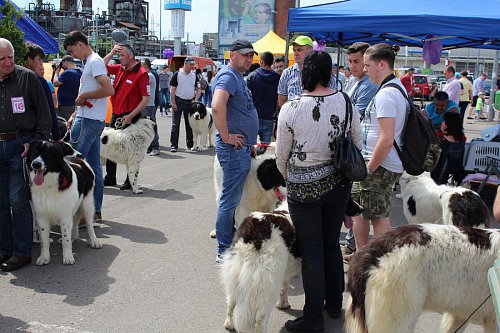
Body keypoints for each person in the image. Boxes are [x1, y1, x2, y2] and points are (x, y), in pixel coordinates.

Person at [276, 51, 361, 332]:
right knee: (330, 245)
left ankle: (313, 319)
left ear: (305, 74)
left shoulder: (291, 108)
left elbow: (281, 156)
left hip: (303, 191)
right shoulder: (346, 102)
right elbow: (357, 144)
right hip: (338, 186)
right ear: (330, 73)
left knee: (311, 252)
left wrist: (291, 179)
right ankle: (334, 306)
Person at [0, 38, 52, 272]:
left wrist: (35, 143)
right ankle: (4, 248)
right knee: (1, 202)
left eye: (10, 57)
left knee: (17, 200)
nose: (7, 62)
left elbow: (44, 114)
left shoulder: (27, 78)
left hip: (21, 146)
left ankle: (21, 252)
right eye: (2, 59)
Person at [351, 43, 408, 252]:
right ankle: (366, 256)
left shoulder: (386, 94)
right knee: (367, 211)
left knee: (377, 215)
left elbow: (386, 139)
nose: (364, 70)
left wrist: (369, 168)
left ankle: (377, 260)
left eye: (367, 65)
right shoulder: (395, 87)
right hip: (382, 163)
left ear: (382, 65)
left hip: (379, 164)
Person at [212, 39, 258, 262]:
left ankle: (226, 248)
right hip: (233, 149)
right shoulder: (229, 76)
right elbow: (217, 106)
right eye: (245, 55)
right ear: (233, 55)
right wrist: (226, 136)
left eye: (251, 56)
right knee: (229, 200)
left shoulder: (237, 76)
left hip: (240, 148)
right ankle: (224, 251)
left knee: (231, 199)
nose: (249, 59)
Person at [64, 31, 114, 222]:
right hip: (91, 119)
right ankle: (94, 211)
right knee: (93, 167)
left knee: (74, 165)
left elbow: (108, 89)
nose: (73, 55)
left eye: (72, 51)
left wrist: (84, 98)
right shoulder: (92, 61)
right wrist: (76, 112)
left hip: (88, 121)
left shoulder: (93, 61)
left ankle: (82, 213)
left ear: (79, 44)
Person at [343, 42, 377, 256]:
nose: (353, 66)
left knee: (362, 205)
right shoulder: (352, 82)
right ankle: (353, 243)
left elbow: (354, 115)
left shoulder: (368, 86)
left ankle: (359, 249)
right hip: (353, 149)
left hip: (361, 151)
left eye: (357, 62)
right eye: (350, 62)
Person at [103, 44, 150, 189]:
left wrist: (131, 116)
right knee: (111, 146)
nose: (119, 58)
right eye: (119, 55)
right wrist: (111, 53)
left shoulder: (142, 73)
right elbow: (101, 65)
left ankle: (130, 180)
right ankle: (110, 176)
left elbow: (145, 99)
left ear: (130, 56)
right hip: (117, 114)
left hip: (130, 116)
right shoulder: (120, 68)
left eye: (122, 55)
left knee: (129, 150)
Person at [23, 42, 61, 141]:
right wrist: (57, 137)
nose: (41, 63)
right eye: (39, 59)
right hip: (37, 135)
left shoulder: (13, 79)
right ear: (29, 60)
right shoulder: (39, 81)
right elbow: (50, 110)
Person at [246, 51, 280, 147]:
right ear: (272, 63)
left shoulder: (252, 76)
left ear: (261, 61)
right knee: (265, 149)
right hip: (269, 117)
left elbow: (245, 97)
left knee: (250, 146)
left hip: (253, 116)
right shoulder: (278, 78)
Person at [169, 56, 201, 152]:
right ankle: (174, 145)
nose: (192, 66)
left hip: (189, 102)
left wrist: (196, 99)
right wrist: (173, 103)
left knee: (189, 124)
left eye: (193, 64)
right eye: (191, 64)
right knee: (175, 124)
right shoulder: (177, 74)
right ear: (185, 64)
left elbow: (198, 88)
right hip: (178, 101)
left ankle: (190, 144)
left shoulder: (194, 75)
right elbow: (172, 89)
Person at [430, 112, 466, 185]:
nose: (442, 123)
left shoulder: (439, 138)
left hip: (438, 172)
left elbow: (429, 160)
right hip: (457, 168)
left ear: (448, 124)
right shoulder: (462, 137)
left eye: (444, 121)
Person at [52, 55, 82, 121]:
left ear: (66, 62)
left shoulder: (68, 73)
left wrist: (56, 72)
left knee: (65, 125)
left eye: (62, 65)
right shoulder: (81, 71)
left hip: (66, 106)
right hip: (77, 104)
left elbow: (55, 83)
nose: (62, 67)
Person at [141, 58, 160, 156]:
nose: (140, 66)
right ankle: (149, 146)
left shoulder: (149, 76)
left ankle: (155, 147)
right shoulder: (146, 75)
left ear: (147, 66)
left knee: (151, 126)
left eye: (142, 64)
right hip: (144, 105)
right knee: (145, 127)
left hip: (149, 105)